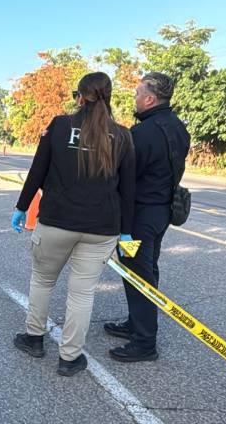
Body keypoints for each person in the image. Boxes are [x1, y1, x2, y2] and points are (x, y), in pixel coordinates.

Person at [11, 72, 136, 377]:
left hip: (56, 221)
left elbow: (37, 170)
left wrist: (21, 207)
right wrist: (127, 233)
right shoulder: (122, 135)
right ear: (108, 98)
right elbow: (128, 190)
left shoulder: (59, 125)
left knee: (42, 281)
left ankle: (35, 339)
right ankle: (70, 358)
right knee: (82, 294)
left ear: (80, 97)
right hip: (103, 228)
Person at [104, 72, 190, 362]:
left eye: (138, 93)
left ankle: (144, 343)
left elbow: (125, 178)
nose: (136, 98)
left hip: (139, 218)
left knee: (138, 272)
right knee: (146, 268)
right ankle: (135, 323)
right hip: (162, 213)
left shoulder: (140, 134)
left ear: (150, 98)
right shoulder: (180, 129)